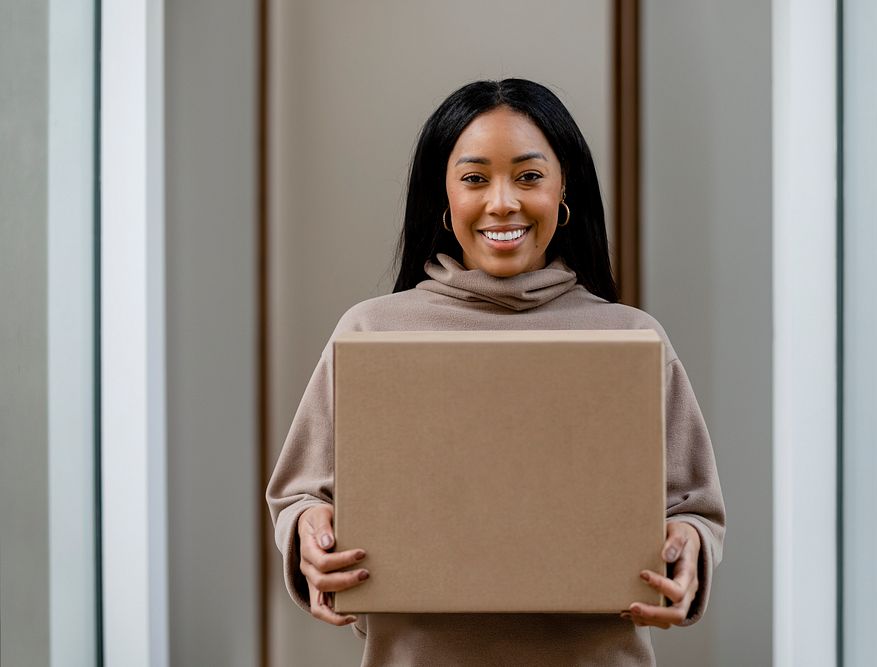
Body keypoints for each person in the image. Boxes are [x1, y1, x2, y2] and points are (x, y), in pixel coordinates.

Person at [266, 78, 725, 666]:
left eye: (529, 176)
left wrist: (689, 546)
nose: (502, 202)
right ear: (444, 196)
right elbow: (299, 494)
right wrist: (308, 531)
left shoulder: (633, 339)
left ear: (565, 192)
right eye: (475, 178)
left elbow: (694, 507)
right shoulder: (370, 333)